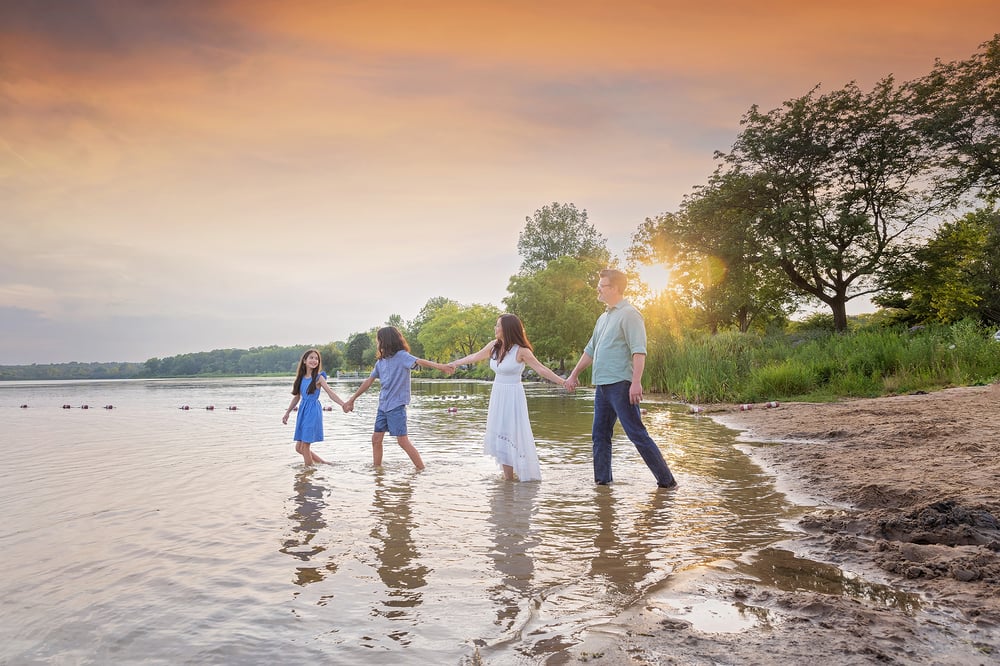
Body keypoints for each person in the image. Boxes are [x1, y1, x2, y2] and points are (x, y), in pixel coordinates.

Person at [565, 269, 678, 489]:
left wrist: (636, 382)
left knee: (636, 434)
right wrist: (574, 374)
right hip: (603, 387)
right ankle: (602, 484)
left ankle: (667, 482)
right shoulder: (603, 317)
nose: (598, 288)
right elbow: (590, 350)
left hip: (621, 385)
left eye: (602, 285)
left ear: (615, 288)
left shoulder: (630, 314)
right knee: (599, 436)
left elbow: (639, 351)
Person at [449, 314, 566, 481]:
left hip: (513, 397)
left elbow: (541, 370)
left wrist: (563, 382)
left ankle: (520, 474)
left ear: (507, 329)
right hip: (498, 395)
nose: (495, 328)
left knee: (512, 433)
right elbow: (475, 357)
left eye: (498, 325)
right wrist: (454, 363)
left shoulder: (522, 351)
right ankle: (508, 479)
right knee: (500, 434)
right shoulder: (494, 346)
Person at [343, 326, 453, 470]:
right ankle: (377, 471)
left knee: (402, 441)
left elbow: (420, 361)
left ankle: (421, 469)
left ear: (386, 341)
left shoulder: (402, 356)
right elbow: (368, 382)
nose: (378, 344)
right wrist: (352, 399)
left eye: (379, 340)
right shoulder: (380, 362)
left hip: (397, 405)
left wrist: (441, 367)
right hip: (383, 406)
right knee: (376, 439)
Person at [283, 348, 347, 466]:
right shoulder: (300, 378)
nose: (314, 360)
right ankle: (323, 463)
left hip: (313, 411)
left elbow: (330, 393)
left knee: (305, 446)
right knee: (298, 448)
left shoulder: (319, 378)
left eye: (316, 358)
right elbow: (297, 397)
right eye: (311, 358)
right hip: (302, 411)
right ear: (304, 361)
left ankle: (308, 473)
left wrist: (343, 404)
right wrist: (287, 413)